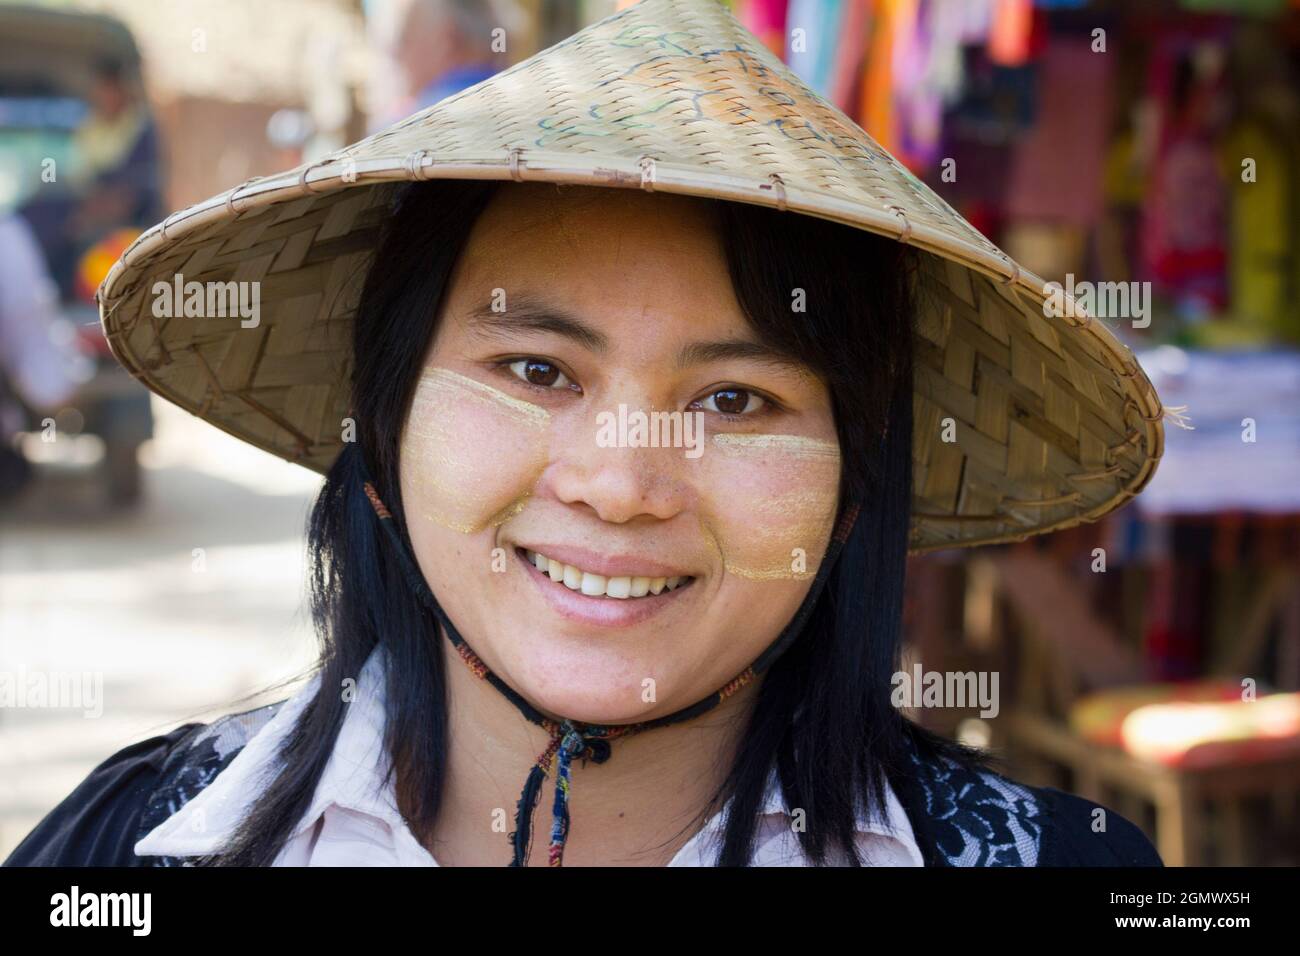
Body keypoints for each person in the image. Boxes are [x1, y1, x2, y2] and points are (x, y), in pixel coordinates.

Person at [4, 0, 1167, 867]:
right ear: (385, 421)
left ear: (854, 484)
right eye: (534, 369)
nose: (619, 485)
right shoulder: (127, 851)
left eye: (735, 401)